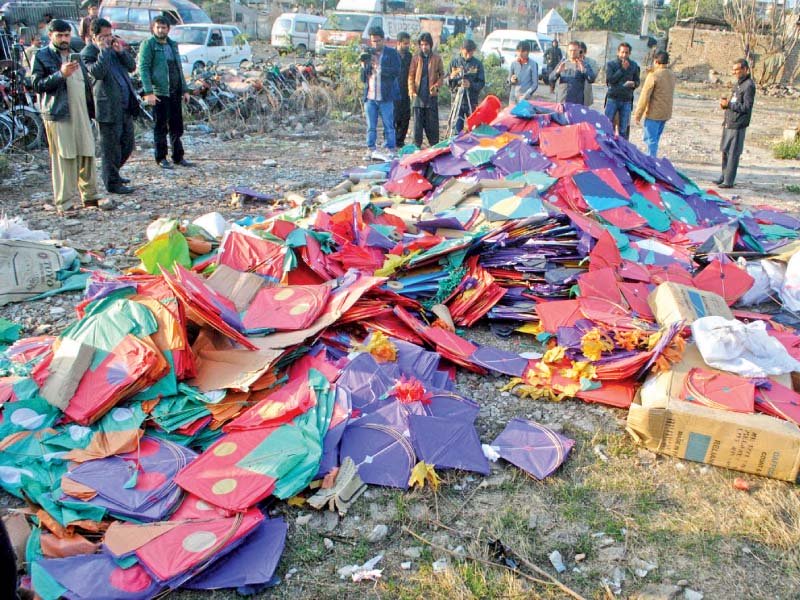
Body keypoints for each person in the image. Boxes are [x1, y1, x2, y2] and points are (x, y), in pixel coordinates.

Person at [32, 19, 106, 216]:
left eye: (66, 35)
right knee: (64, 157)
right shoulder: (42, 56)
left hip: (81, 111)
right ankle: (64, 203)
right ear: (51, 36)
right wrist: (60, 74)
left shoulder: (76, 54)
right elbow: (37, 84)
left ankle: (90, 197)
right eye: (60, 35)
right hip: (59, 114)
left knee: (87, 153)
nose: (64, 39)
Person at [82, 18, 139, 194]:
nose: (108, 39)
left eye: (109, 35)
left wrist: (121, 52)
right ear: (94, 36)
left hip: (124, 105)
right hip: (107, 108)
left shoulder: (114, 49)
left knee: (127, 144)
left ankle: (113, 172)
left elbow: (131, 67)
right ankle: (112, 182)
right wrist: (104, 51)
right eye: (103, 36)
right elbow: (97, 72)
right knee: (110, 148)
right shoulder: (88, 53)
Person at [138, 16, 192, 169]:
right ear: (153, 28)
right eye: (158, 27)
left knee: (177, 126)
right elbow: (144, 68)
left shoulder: (172, 45)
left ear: (169, 29)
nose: (161, 30)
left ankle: (178, 156)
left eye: (164, 27)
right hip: (159, 92)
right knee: (160, 126)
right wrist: (149, 92)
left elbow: (178, 68)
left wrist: (185, 90)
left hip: (174, 91)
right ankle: (161, 158)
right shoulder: (148, 44)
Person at [360, 26, 401, 159]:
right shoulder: (368, 54)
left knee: (388, 125)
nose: (375, 44)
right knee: (371, 126)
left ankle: (391, 149)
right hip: (370, 96)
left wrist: (380, 68)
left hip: (386, 96)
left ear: (383, 40)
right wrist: (364, 66)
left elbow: (396, 71)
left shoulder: (391, 53)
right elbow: (362, 78)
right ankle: (370, 149)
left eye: (378, 41)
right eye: (373, 41)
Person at [715, 58, 755, 188]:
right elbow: (734, 102)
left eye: (737, 70)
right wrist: (725, 106)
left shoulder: (749, 85)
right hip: (729, 121)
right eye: (733, 70)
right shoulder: (739, 84)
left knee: (733, 153)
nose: (735, 72)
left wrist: (730, 105)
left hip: (738, 124)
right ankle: (723, 176)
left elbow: (747, 107)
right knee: (725, 150)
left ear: (745, 69)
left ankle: (729, 181)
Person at [633, 51, 675, 157]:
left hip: (653, 113)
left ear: (656, 61)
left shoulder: (654, 75)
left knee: (650, 140)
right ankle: (652, 158)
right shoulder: (671, 74)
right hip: (665, 113)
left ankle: (651, 162)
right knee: (656, 138)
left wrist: (638, 114)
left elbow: (644, 96)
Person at [408, 31, 444, 148]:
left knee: (432, 125)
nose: (424, 47)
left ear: (430, 45)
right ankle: (416, 148)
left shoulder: (437, 58)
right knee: (417, 126)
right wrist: (411, 91)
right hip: (418, 96)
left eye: (426, 45)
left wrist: (437, 86)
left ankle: (434, 148)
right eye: (422, 44)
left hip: (431, 95)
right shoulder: (416, 58)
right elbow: (411, 76)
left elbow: (442, 75)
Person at [448, 38, 484, 133]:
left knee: (474, 128)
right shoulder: (454, 63)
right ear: (461, 49)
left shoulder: (477, 64)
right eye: (466, 53)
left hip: (471, 100)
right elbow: (447, 82)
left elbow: (481, 83)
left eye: (470, 53)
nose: (468, 56)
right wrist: (452, 78)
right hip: (457, 100)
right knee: (456, 128)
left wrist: (470, 85)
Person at [604, 42, 640, 139]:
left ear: (629, 54)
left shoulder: (634, 65)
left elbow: (637, 81)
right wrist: (622, 70)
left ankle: (622, 150)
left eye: (626, 53)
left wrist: (634, 84)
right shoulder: (611, 64)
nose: (624, 55)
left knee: (623, 129)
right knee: (606, 125)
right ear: (618, 52)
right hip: (613, 98)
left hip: (626, 100)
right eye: (622, 52)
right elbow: (610, 81)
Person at [549, 40, 595, 105]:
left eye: (575, 50)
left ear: (579, 50)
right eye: (570, 50)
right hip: (562, 101)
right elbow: (550, 79)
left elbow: (591, 79)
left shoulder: (584, 64)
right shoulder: (562, 63)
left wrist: (583, 70)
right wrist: (558, 72)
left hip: (577, 103)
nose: (572, 53)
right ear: (568, 51)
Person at [394, 31, 412, 148]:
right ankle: (391, 140)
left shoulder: (409, 56)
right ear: (399, 43)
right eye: (405, 44)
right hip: (393, 91)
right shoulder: (391, 54)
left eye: (408, 44)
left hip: (406, 91)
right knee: (393, 117)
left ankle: (400, 141)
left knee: (405, 116)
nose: (407, 46)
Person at [508, 40, 538, 106]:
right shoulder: (513, 63)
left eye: (522, 51)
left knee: (523, 116)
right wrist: (511, 80)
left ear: (527, 52)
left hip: (525, 99)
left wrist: (526, 95)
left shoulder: (533, 64)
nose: (520, 54)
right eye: (518, 51)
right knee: (511, 116)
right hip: (513, 99)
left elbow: (535, 85)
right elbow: (508, 80)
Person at [579, 41, 597, 106]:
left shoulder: (591, 62)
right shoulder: (569, 62)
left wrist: (583, 65)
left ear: (585, 52)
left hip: (585, 94)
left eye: (580, 51)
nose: (578, 54)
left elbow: (593, 77)